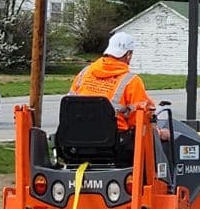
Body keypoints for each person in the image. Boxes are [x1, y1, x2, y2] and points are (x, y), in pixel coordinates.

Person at [68, 32, 165, 162]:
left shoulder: (84, 73)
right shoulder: (131, 81)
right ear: (129, 55)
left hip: (76, 141)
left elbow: (69, 107)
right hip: (115, 146)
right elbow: (141, 122)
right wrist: (160, 134)